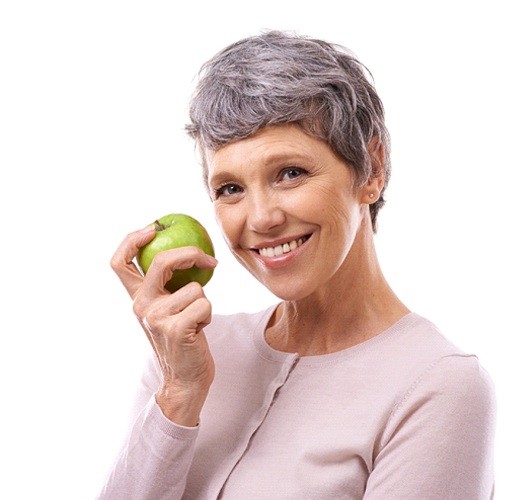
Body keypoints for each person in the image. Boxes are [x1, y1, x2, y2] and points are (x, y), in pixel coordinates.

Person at [99, 30, 496, 499]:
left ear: (371, 169)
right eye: (230, 188)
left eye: (290, 173)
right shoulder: (191, 353)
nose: (262, 217)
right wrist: (180, 392)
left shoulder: (437, 386)